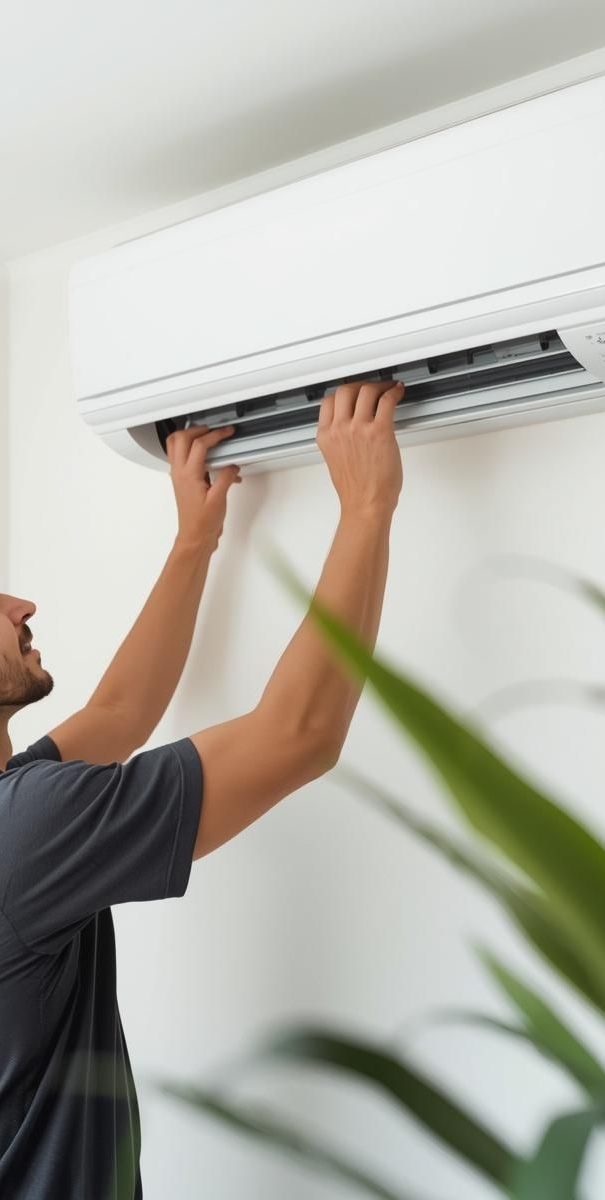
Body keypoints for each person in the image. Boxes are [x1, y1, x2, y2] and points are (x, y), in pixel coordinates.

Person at [0, 378, 405, 1198]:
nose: (21, 602)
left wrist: (194, 542)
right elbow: (298, 738)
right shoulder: (22, 831)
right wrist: (366, 507)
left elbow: (119, 713)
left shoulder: (21, 804)